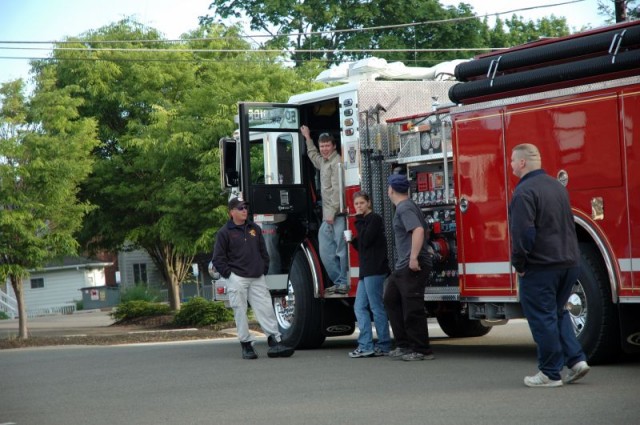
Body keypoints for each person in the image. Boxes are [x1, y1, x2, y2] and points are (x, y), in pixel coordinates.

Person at [509, 143, 590, 387]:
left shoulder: (524, 192)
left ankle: (550, 373)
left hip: (541, 266)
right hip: (569, 262)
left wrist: (519, 263)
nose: (511, 164)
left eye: (513, 160)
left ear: (522, 162)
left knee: (542, 318)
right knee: (557, 313)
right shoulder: (557, 187)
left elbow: (524, 234)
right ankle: (576, 361)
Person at [212, 197, 294, 360]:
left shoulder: (254, 228)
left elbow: (264, 252)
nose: (244, 210)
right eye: (240, 208)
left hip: (257, 277)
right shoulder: (224, 232)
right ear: (231, 212)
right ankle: (246, 345)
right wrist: (230, 275)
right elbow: (218, 258)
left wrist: (263, 269)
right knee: (240, 310)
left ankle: (274, 341)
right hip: (237, 278)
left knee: (266, 308)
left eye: (245, 207)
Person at [384, 173, 434, 361]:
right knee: (391, 299)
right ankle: (404, 345)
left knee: (412, 307)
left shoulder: (404, 208)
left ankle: (421, 350)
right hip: (403, 265)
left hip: (411, 264)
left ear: (391, 189)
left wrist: (413, 258)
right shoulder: (406, 206)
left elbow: (418, 230)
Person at [300, 125, 348, 294]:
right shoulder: (324, 161)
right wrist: (307, 138)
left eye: (327, 146)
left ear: (334, 146)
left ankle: (344, 282)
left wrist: (332, 212)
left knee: (342, 250)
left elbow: (338, 190)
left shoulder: (337, 162)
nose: (324, 149)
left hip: (338, 215)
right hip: (329, 216)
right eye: (322, 146)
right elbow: (313, 156)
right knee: (326, 250)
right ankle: (340, 281)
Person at [347, 191, 392, 358]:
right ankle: (366, 344)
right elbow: (363, 246)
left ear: (368, 203)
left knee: (376, 307)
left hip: (375, 269)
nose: (358, 206)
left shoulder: (374, 219)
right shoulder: (365, 221)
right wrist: (352, 241)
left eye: (361, 203)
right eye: (356, 204)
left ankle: (384, 344)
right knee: (359, 306)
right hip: (366, 270)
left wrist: (358, 221)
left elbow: (367, 240)